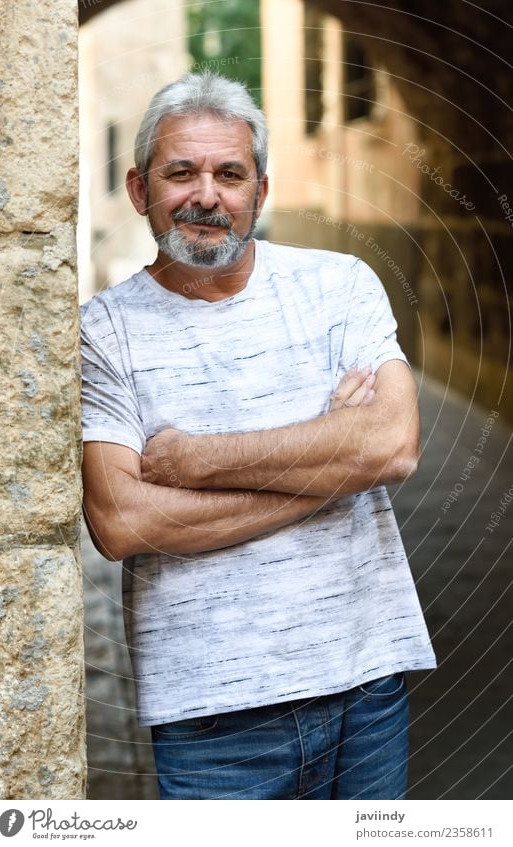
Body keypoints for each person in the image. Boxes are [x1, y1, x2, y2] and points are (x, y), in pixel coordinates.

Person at [80, 72, 436, 800]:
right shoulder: (103, 331)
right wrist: (334, 458)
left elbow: (393, 444)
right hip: (210, 714)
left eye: (229, 173)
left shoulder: (342, 286)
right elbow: (122, 520)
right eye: (181, 172)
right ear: (140, 188)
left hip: (366, 679)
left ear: (261, 192)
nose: (206, 195)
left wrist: (194, 460)